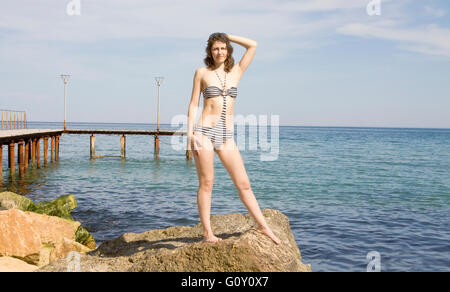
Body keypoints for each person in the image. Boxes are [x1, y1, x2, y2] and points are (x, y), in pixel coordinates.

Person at [187, 32, 281, 245]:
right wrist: (190, 133)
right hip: (204, 133)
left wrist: (227, 35)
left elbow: (253, 45)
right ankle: (207, 232)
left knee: (244, 183)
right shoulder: (202, 73)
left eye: (223, 48)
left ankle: (263, 226)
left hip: (226, 136)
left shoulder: (236, 71)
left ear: (228, 50)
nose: (219, 52)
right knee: (207, 183)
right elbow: (193, 104)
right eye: (215, 48)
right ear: (210, 52)